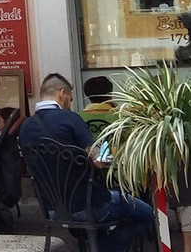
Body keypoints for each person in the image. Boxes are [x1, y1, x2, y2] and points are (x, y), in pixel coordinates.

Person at [19, 72, 151, 252]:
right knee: (146, 214)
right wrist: (107, 151)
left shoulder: (25, 127)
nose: (69, 104)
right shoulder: (71, 119)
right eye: (70, 99)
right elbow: (99, 161)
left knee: (107, 224)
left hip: (52, 209)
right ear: (62, 93)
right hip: (88, 205)